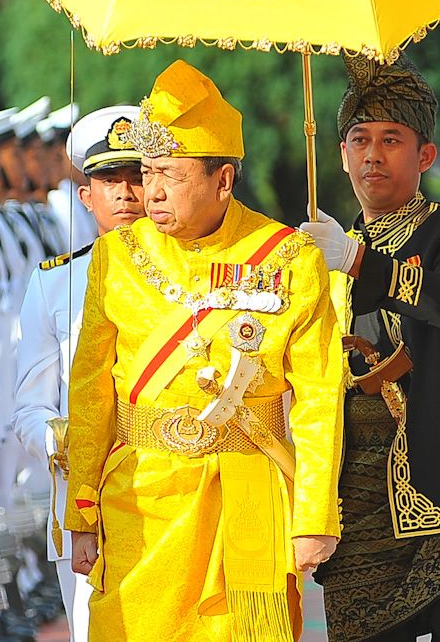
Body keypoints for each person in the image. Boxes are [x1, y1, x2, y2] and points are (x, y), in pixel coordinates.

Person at [65, 59, 345, 641]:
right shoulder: (116, 256)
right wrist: (82, 510)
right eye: (147, 173)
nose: (152, 192)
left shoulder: (288, 258)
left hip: (248, 489)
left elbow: (320, 398)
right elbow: (90, 391)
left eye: (170, 173)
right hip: (140, 498)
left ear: (223, 180)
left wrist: (314, 516)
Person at [302, 53, 440, 642]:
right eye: (359, 139)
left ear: (425, 155)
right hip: (358, 507)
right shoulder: (312, 256)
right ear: (341, 154)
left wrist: (356, 261)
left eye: (391, 139)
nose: (373, 154)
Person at [12, 104, 145, 641]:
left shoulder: (194, 279)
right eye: (109, 180)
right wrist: (68, 441)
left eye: (138, 176)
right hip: (86, 505)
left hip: (171, 490)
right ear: (85, 195)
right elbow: (29, 407)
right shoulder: (54, 284)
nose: (126, 193)